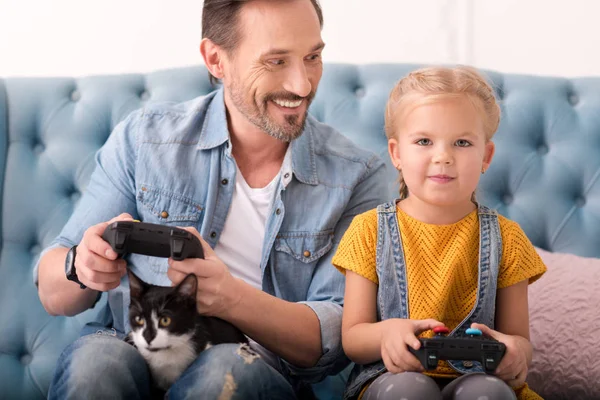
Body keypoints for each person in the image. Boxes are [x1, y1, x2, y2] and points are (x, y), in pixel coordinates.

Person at [35, 0, 388, 398]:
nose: (302, 85)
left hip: (256, 370)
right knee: (93, 364)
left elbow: (333, 339)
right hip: (133, 348)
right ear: (216, 59)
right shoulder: (145, 140)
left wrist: (232, 299)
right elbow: (53, 292)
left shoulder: (357, 176)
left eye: (313, 57)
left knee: (227, 368)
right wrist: (80, 265)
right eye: (276, 61)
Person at [332, 66, 547, 400]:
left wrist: (516, 351)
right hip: (393, 377)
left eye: (462, 142)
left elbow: (519, 340)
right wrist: (387, 333)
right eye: (424, 141)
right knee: (408, 389)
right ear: (397, 154)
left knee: (488, 393)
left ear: (486, 156)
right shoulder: (368, 231)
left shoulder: (507, 238)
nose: (443, 157)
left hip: (479, 377)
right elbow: (353, 339)